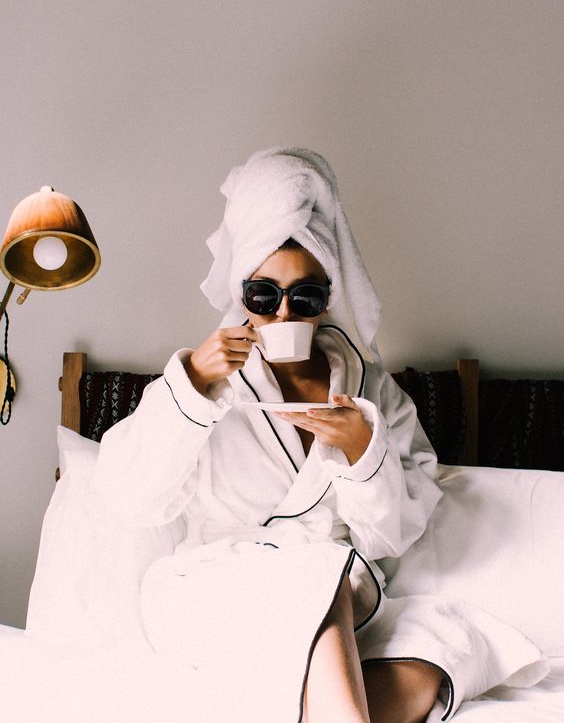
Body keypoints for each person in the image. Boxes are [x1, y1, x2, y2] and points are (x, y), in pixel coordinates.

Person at [87, 148, 508, 722]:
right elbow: (131, 499)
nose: (284, 313)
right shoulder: (202, 383)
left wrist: (364, 451)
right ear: (242, 295)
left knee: (446, 650)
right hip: (211, 594)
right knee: (318, 570)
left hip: (341, 603)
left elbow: (393, 536)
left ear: (327, 299)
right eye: (264, 295)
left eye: (304, 296)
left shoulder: (370, 390)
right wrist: (193, 387)